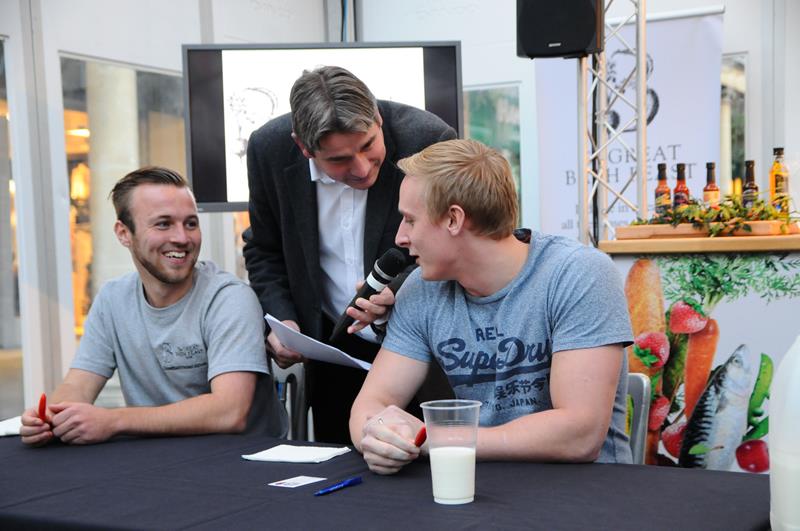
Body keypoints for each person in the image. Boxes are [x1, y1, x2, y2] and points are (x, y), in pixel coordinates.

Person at [349, 139, 634, 474]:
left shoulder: (578, 275)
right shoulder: (421, 289)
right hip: (478, 485)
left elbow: (580, 435)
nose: (400, 237)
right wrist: (379, 438)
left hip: (585, 496)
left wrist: (437, 440)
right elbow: (370, 406)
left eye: (410, 220)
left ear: (454, 219)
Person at [243, 65, 457, 443]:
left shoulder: (427, 138)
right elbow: (264, 247)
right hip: (330, 350)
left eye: (368, 146)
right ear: (302, 146)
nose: (361, 168)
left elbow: (454, 241)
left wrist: (401, 292)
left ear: (376, 117)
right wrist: (284, 321)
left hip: (415, 348)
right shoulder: (267, 149)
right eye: (339, 160)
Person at [20, 167, 286, 446]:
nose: (182, 238)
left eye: (191, 223)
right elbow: (78, 384)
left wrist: (114, 421)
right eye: (163, 224)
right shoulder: (113, 299)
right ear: (124, 233)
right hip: (152, 461)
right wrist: (51, 417)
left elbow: (230, 412)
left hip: (238, 463)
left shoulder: (229, 298)